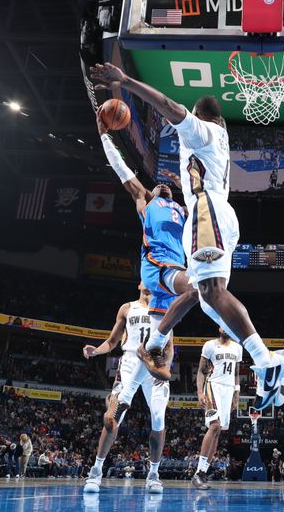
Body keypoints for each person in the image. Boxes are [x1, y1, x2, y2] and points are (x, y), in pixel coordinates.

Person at [90, 62, 284, 411]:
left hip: (205, 214)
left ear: (200, 117)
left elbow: (168, 105)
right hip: (214, 214)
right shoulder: (215, 141)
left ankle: (264, 359)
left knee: (211, 293)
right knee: (209, 294)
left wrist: (125, 82)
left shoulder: (199, 130)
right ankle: (159, 343)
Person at [97, 113, 199, 380]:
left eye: (166, 185)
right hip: (158, 266)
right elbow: (124, 172)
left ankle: (152, 357)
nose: (161, 185)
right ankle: (153, 348)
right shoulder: (146, 201)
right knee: (198, 288)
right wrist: (106, 137)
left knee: (165, 326)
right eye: (157, 185)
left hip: (175, 268)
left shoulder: (183, 209)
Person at [81, 284, 171, 494]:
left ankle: (154, 474)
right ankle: (96, 471)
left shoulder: (165, 308)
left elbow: (169, 347)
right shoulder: (127, 308)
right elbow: (112, 342)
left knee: (159, 418)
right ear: (139, 284)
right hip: (131, 361)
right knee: (113, 419)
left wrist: (163, 368)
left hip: (154, 364)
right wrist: (96, 351)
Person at [192, 328, 242, 490]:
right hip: (212, 386)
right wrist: (200, 391)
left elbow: (236, 373)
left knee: (218, 430)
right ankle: (198, 473)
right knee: (214, 426)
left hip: (228, 390)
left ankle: (203, 472)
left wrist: (236, 394)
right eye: (222, 325)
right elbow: (201, 371)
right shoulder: (209, 345)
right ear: (218, 327)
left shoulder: (237, 347)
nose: (226, 327)